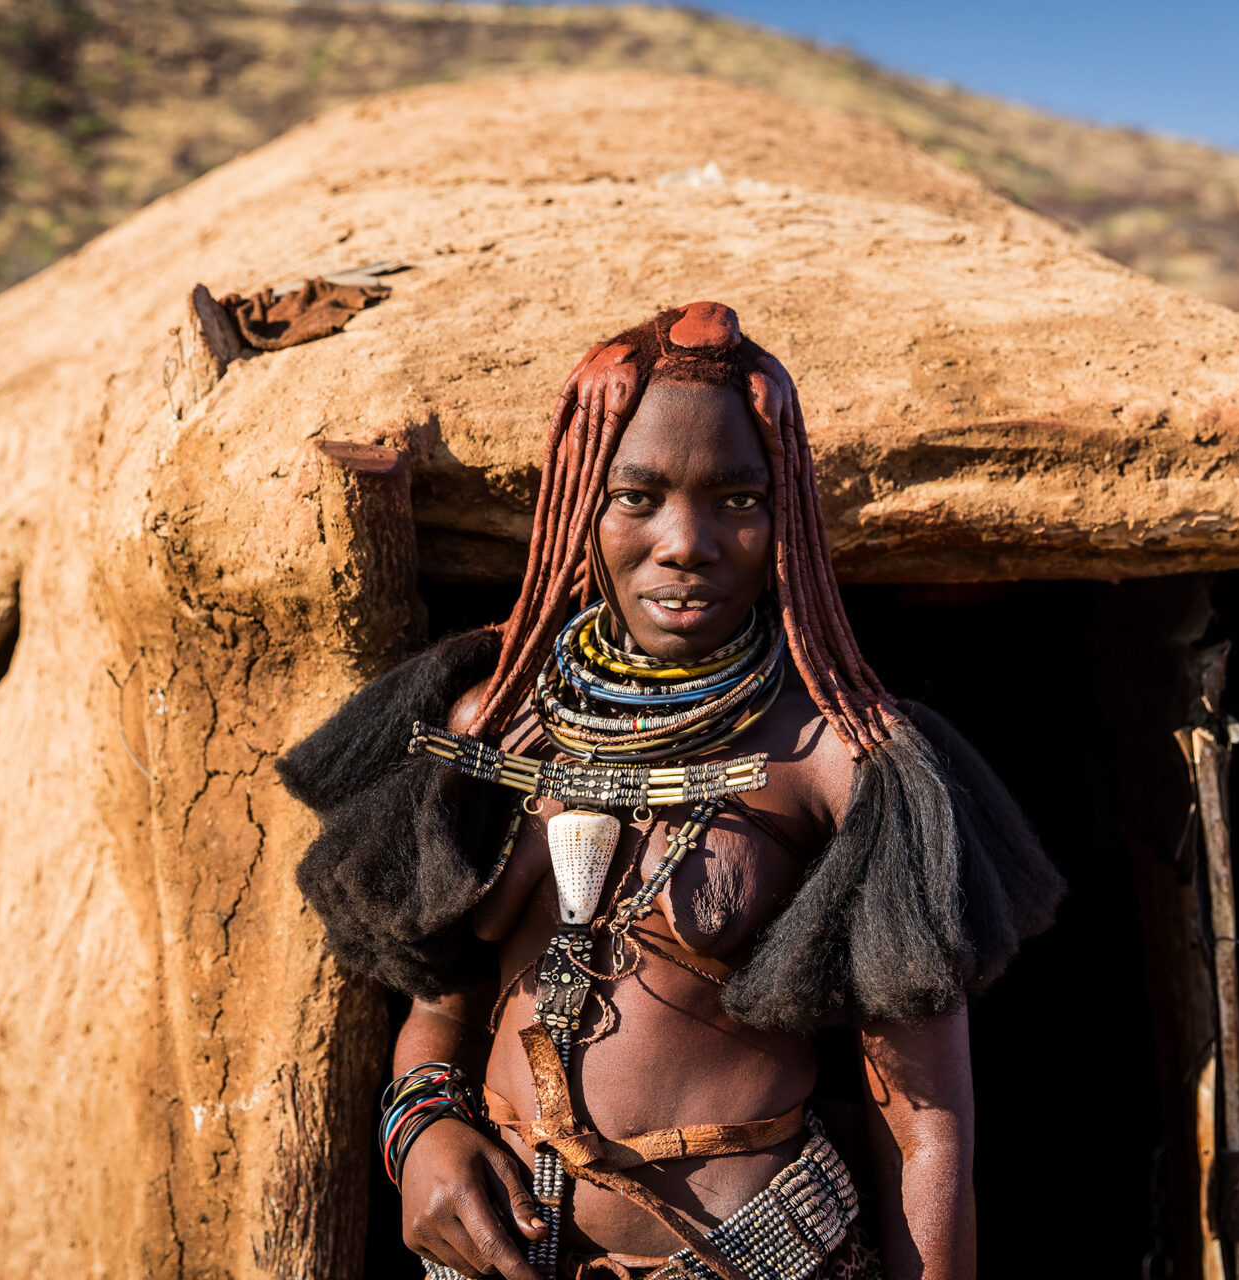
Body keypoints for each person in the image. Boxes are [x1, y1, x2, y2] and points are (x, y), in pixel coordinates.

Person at [279, 301, 1063, 1280]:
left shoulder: (839, 757)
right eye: (637, 495)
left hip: (755, 1253)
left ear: (785, 516)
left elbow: (928, 1131)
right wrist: (422, 1135)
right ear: (577, 507)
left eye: (736, 498)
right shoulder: (491, 726)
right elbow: (437, 1013)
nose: (684, 540)